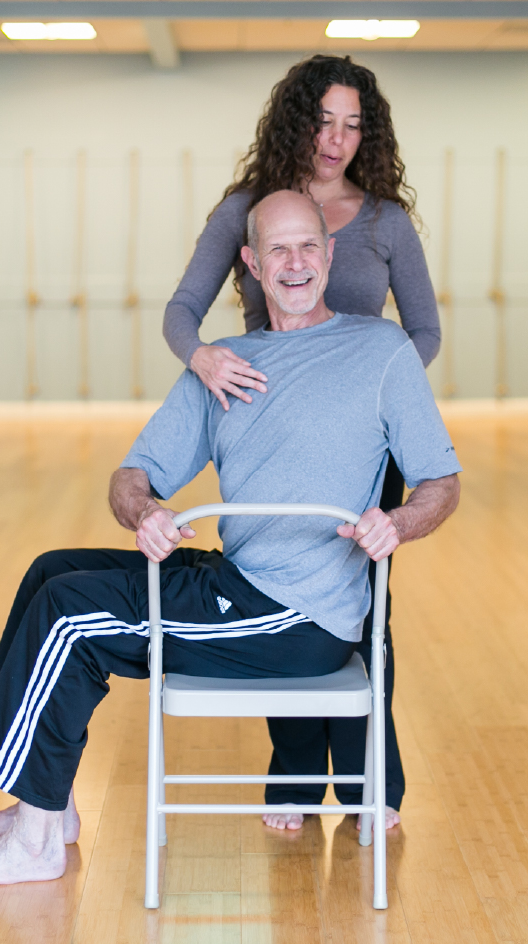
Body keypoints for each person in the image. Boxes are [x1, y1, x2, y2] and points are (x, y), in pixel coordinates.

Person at [0, 191, 460, 888]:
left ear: (329, 257)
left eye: (308, 248)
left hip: (300, 616)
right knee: (48, 573)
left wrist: (399, 522)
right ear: (252, 265)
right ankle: (44, 801)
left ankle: (36, 840)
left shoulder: (382, 351)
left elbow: (441, 485)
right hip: (238, 583)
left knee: (70, 615)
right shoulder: (223, 364)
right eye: (277, 250)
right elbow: (130, 475)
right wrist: (142, 509)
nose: (295, 264)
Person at [163, 54, 438, 831]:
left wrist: (368, 385)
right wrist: (203, 357)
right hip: (267, 437)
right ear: (297, 120)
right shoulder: (248, 210)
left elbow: (423, 331)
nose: (338, 139)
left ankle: (369, 785)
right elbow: (182, 314)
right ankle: (292, 778)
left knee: (362, 616)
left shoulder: (385, 221)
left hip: (364, 450)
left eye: (355, 125)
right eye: (324, 121)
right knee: (278, 597)